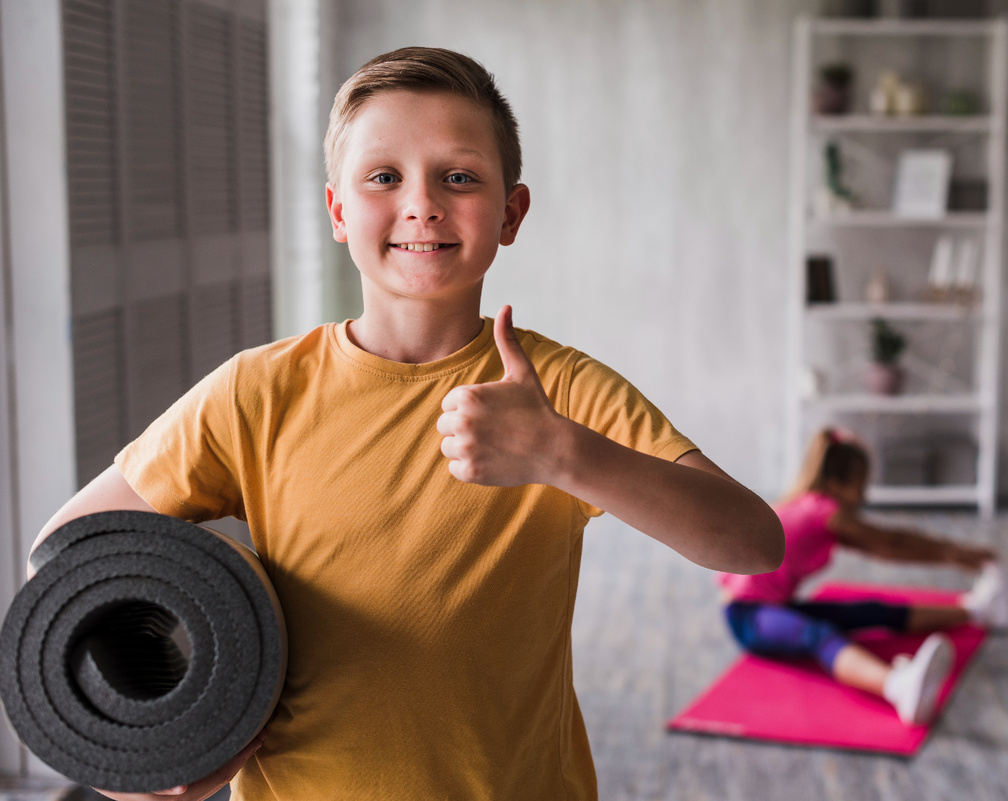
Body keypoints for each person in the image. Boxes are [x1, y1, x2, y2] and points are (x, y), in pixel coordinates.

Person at [29, 48, 784, 801]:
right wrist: (158, 758)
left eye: (459, 177)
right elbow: (63, 561)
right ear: (337, 211)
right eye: (384, 177)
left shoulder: (555, 391)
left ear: (511, 212)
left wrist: (563, 452)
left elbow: (753, 542)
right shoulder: (255, 392)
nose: (422, 203)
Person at [717, 428, 1008, 726]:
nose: (863, 496)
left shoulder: (808, 505)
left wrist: (952, 554)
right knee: (819, 634)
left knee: (868, 611)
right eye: (859, 486)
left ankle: (977, 610)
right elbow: (892, 544)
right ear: (835, 485)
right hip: (746, 616)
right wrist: (955, 553)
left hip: (774, 606)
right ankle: (898, 688)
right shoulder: (824, 512)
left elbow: (885, 546)